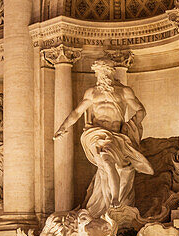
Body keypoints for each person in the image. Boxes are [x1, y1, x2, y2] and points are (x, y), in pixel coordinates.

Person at [54, 60, 153, 215]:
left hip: (116, 136)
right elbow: (76, 113)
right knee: (107, 160)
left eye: (101, 72)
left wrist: (131, 126)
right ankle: (115, 200)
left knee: (109, 165)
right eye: (97, 73)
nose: (98, 76)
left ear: (110, 72)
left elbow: (141, 111)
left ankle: (110, 202)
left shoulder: (124, 91)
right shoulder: (92, 92)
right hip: (96, 134)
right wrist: (63, 127)